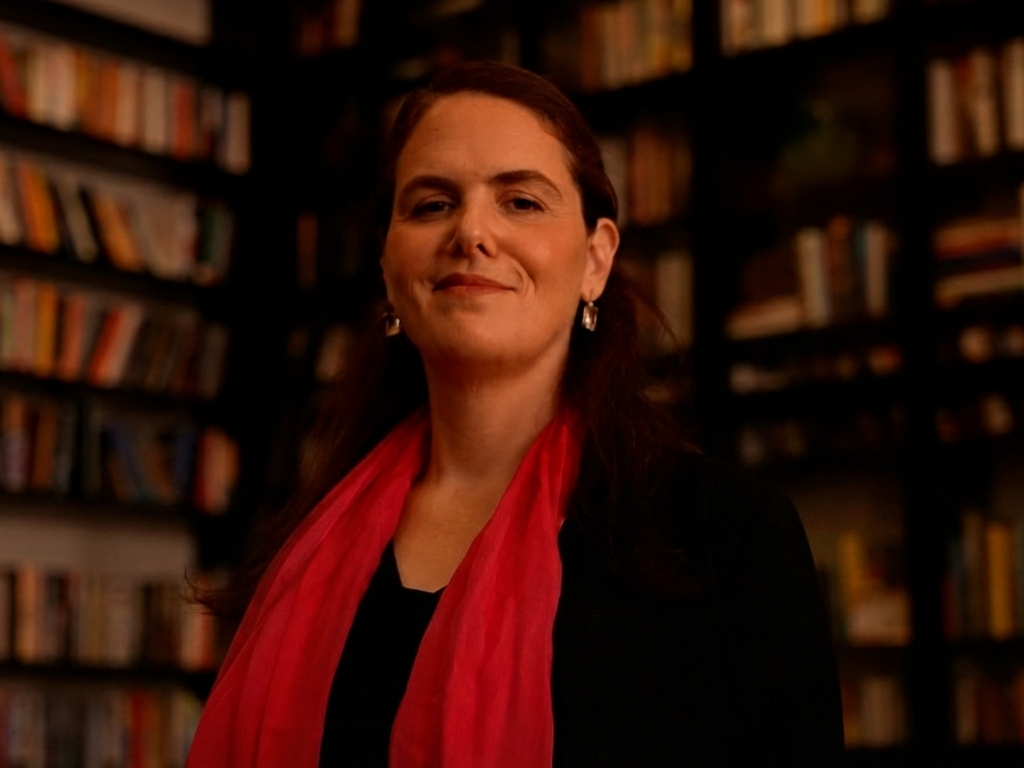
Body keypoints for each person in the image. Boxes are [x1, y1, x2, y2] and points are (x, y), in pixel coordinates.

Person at [187, 61, 843, 768]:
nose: (471, 232)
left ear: (596, 260)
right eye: (431, 205)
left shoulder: (724, 534)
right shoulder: (308, 541)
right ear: (387, 265)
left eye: (522, 202)